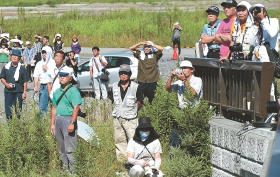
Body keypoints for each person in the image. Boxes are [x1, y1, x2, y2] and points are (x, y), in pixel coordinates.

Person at [50, 66, 82, 173]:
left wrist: (72, 123)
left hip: (68, 120)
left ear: (70, 78)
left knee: (70, 148)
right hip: (58, 120)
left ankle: (74, 171)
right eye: (60, 76)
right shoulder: (57, 91)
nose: (62, 77)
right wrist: (52, 124)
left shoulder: (73, 91)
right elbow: (54, 108)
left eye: (65, 76)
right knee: (61, 148)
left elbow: (76, 107)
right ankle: (65, 170)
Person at [165, 60, 203, 148]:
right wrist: (171, 77)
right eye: (181, 68)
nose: (183, 70)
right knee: (175, 136)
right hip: (181, 112)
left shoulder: (197, 80)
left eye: (185, 68)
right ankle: (174, 155)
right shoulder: (179, 82)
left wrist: (185, 80)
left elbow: (193, 93)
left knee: (189, 137)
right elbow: (167, 89)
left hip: (193, 112)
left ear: (192, 70)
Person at [112, 64, 143, 161]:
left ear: (129, 74)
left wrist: (133, 110)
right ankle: (122, 160)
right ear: (118, 74)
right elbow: (113, 100)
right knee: (119, 140)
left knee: (134, 140)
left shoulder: (136, 87)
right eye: (121, 73)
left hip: (131, 119)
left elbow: (140, 102)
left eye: (125, 73)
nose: (123, 75)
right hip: (117, 118)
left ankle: (135, 160)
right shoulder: (114, 86)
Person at [0, 50, 28, 119]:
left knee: (18, 110)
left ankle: (17, 126)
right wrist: (6, 84)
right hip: (8, 92)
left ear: (19, 58)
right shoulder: (6, 67)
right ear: (10, 57)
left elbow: (25, 81)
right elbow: (2, 78)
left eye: (16, 56)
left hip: (18, 92)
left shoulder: (22, 68)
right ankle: (10, 127)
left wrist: (24, 92)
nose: (14, 57)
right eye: (13, 56)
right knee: (8, 110)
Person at [34, 50, 56, 118]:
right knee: (42, 106)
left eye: (45, 53)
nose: (44, 54)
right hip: (42, 86)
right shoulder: (39, 63)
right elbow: (36, 75)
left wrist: (47, 69)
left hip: (51, 85)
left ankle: (54, 122)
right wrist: (35, 85)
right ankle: (43, 123)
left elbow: (55, 75)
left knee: (54, 105)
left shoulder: (53, 63)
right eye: (43, 53)